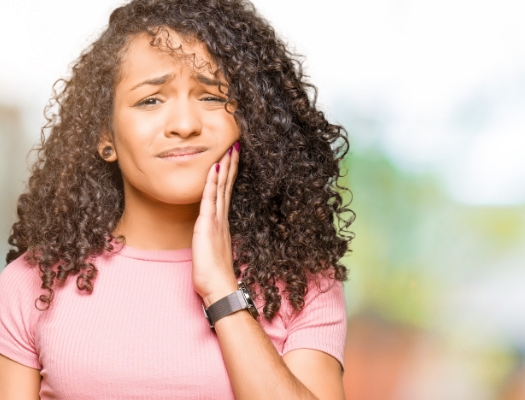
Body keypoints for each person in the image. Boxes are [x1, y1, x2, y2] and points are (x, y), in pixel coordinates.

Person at [0, 0, 355, 398]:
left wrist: (222, 290)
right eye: (150, 100)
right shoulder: (32, 284)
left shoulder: (300, 282)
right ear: (105, 136)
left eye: (211, 96)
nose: (185, 125)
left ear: (249, 121)